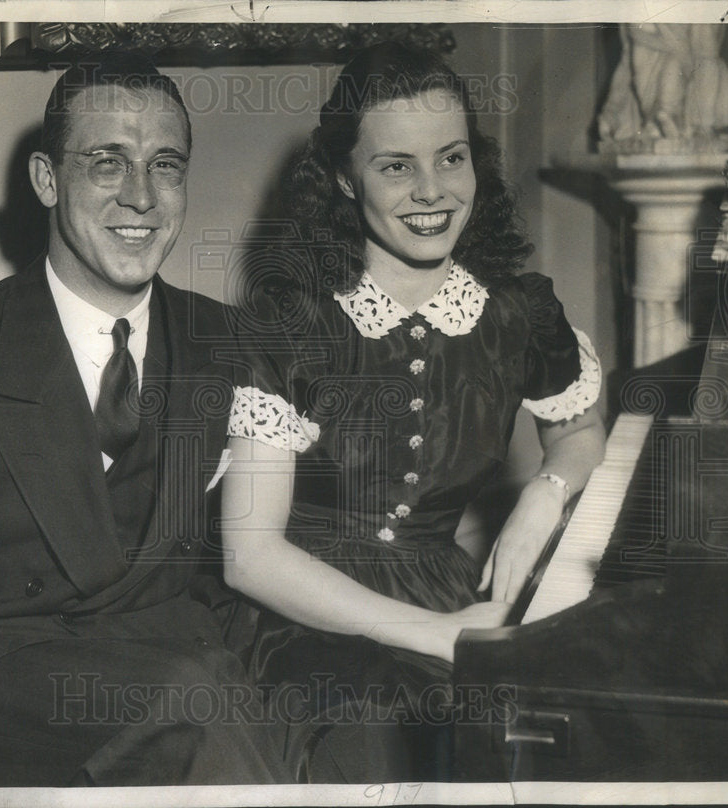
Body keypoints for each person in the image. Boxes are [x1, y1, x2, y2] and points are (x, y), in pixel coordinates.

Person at [0, 52, 289, 788]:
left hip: (184, 671)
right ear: (46, 179)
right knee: (196, 703)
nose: (141, 197)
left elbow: (272, 552)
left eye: (165, 166)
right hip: (1, 685)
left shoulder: (230, 343)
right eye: (108, 163)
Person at [222, 43, 607, 782]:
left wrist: (545, 494)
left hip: (448, 590)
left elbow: (582, 433)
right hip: (306, 620)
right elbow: (250, 556)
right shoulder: (294, 323)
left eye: (451, 158)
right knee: (383, 740)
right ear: (345, 178)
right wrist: (436, 634)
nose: (432, 191)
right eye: (396, 166)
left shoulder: (518, 312)